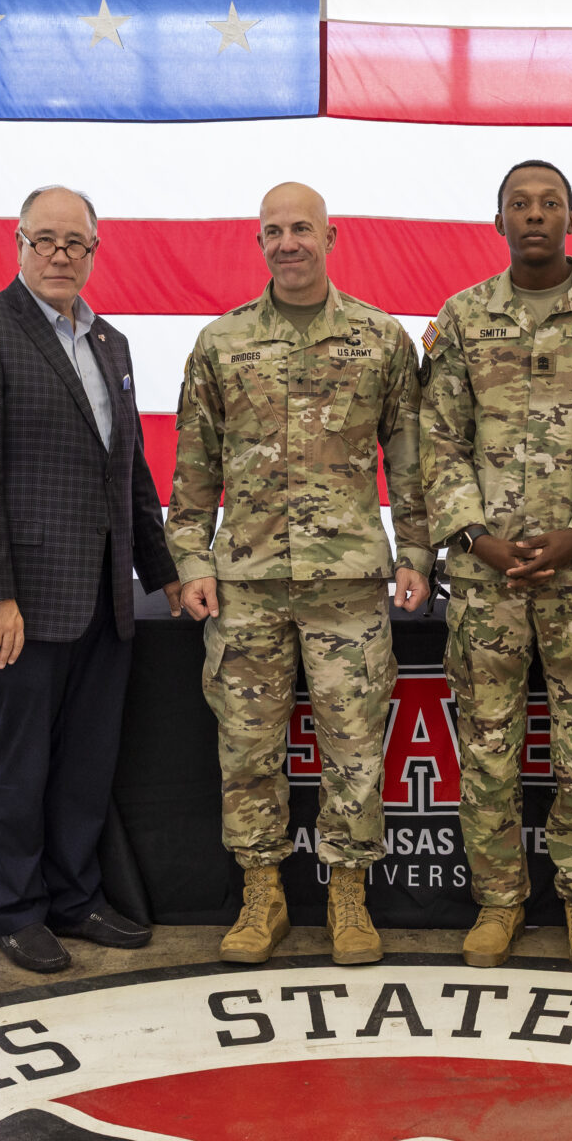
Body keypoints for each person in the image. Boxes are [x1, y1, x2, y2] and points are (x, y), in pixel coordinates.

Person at [168, 182, 432, 968]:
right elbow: (193, 470)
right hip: (246, 581)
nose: (288, 242)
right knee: (249, 748)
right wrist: (190, 557)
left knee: (353, 745)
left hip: (347, 585)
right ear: (259, 242)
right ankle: (264, 896)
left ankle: (348, 897)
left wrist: (416, 552)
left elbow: (409, 462)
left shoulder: (381, 341)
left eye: (302, 229)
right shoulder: (221, 344)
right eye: (274, 231)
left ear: (331, 236)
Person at [0, 185, 183, 974]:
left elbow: (129, 474)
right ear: (19, 244)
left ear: (95, 250)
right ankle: (16, 910)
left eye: (77, 242)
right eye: (46, 239)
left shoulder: (110, 343)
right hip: (19, 605)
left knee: (84, 764)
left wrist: (165, 574)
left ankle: (75, 896)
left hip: (103, 600)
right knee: (20, 764)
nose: (62, 254)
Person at [420, 159, 572, 970]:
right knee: (488, 746)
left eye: (548, 203)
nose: (534, 215)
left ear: (571, 217)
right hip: (487, 579)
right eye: (519, 204)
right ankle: (499, 901)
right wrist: (473, 534)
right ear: (498, 223)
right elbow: (439, 437)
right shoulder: (461, 318)